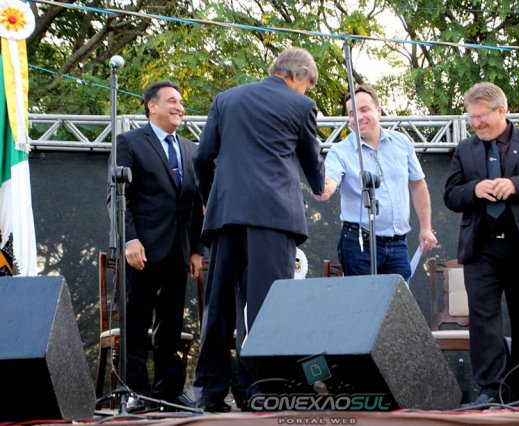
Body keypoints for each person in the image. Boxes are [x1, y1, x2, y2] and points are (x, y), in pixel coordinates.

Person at [192, 47, 325, 412]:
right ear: (297, 76)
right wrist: (319, 185)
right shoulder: (301, 106)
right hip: (274, 217)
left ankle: (210, 392)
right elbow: (311, 158)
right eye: (307, 85)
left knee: (218, 305)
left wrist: (211, 199)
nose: (306, 92)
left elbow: (202, 157)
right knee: (268, 307)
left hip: (226, 215)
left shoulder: (226, 99)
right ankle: (262, 391)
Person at [443, 82, 519, 404]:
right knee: (483, 321)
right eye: (471, 117)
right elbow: (451, 195)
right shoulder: (465, 149)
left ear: (502, 110)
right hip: (482, 248)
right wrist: (474, 190)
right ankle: (491, 391)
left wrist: (516, 185)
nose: (476, 123)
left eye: (481, 116)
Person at [114, 80, 203, 411]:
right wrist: (130, 239)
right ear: (152, 106)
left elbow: (194, 205)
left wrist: (196, 249)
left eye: (181, 102)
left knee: (172, 324)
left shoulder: (191, 149)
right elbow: (119, 196)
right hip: (143, 251)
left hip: (179, 251)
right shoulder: (130, 142)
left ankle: (169, 391)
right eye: (172, 101)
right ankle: (135, 391)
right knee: (137, 322)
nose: (180, 107)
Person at [314, 85, 437, 279]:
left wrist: (426, 227)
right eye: (352, 113)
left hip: (398, 244)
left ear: (378, 111)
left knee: (399, 298)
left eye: (364, 110)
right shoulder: (340, 151)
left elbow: (418, 184)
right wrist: (324, 189)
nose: (358, 117)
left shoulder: (402, 142)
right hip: (359, 243)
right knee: (364, 299)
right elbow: (330, 180)